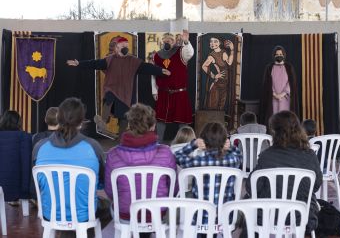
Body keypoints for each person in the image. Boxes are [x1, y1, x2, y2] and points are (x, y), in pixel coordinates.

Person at [67, 37, 171, 137]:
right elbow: (94, 63)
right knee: (109, 97)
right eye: (123, 45)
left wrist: (160, 70)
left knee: (124, 118)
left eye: (127, 45)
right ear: (116, 47)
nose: (125, 47)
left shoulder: (133, 61)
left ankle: (121, 140)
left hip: (127, 94)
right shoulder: (109, 60)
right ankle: (103, 121)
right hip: (112, 89)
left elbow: (147, 67)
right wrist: (79, 63)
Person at [104, 103, 177, 238]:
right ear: (153, 126)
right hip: (157, 214)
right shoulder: (166, 153)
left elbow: (110, 192)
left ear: (129, 125)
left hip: (126, 214)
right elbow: (174, 189)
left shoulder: (113, 155)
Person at [244, 111, 322, 235]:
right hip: (302, 217)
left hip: (269, 217)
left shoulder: (267, 156)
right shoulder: (310, 155)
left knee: (247, 202)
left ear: (274, 132)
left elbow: (251, 187)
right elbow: (316, 185)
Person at [33, 98, 107, 226]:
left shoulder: (40, 147)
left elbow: (38, 182)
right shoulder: (93, 147)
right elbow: (102, 181)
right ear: (81, 122)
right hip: (83, 214)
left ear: (58, 118)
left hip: (50, 213)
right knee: (108, 207)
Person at [175, 122, 242, 226]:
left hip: (200, 216)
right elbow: (240, 156)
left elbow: (177, 156)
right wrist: (231, 147)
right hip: (225, 217)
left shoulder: (198, 162)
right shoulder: (233, 160)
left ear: (203, 141)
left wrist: (194, 144)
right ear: (224, 141)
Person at [151, 30, 194, 141]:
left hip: (179, 93)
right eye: (165, 40)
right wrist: (154, 91)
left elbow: (190, 53)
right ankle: (158, 144)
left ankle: (185, 143)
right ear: (162, 42)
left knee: (182, 120)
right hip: (163, 93)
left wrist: (186, 41)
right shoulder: (157, 56)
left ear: (174, 41)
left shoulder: (181, 51)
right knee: (161, 121)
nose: (167, 42)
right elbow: (154, 75)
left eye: (170, 40)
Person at [259, 45, 298, 126]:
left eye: (281, 54)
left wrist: (282, 94)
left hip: (285, 98)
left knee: (286, 120)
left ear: (284, 55)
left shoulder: (289, 67)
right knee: (274, 120)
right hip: (273, 98)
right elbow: (267, 83)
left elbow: (291, 83)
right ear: (274, 56)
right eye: (277, 54)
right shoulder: (269, 67)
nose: (279, 56)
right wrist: (275, 94)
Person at [0, 110, 32, 202]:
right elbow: (26, 164)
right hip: (17, 188)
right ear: (19, 122)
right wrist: (26, 190)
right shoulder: (24, 137)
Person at [202, 37, 234, 110]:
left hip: (225, 84)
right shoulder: (211, 55)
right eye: (211, 41)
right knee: (213, 107)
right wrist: (214, 76)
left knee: (221, 107)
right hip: (217, 85)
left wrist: (232, 49)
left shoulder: (223, 52)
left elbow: (229, 63)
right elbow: (204, 66)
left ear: (219, 43)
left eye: (215, 41)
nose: (212, 43)